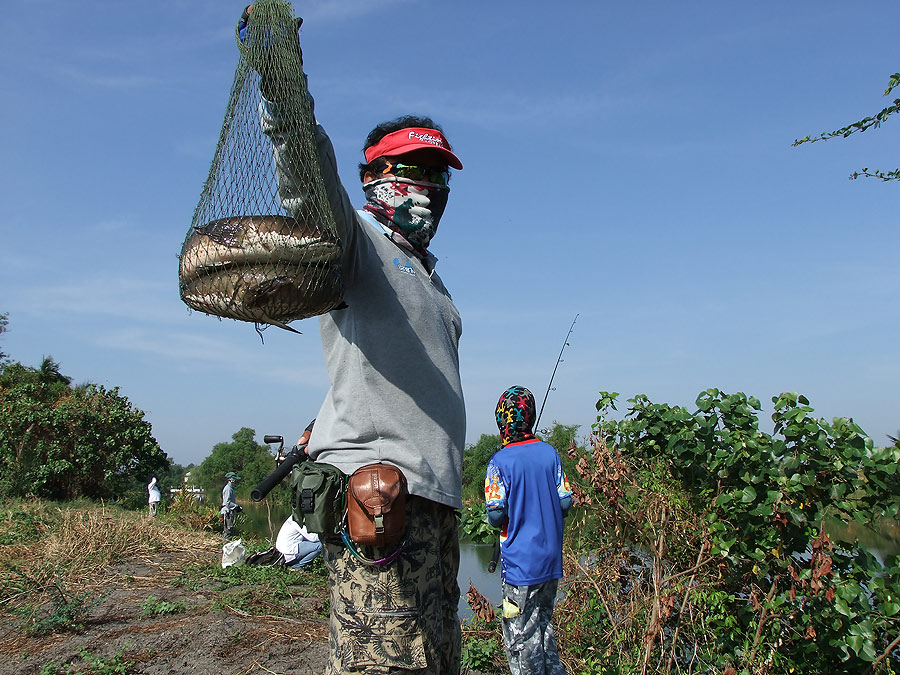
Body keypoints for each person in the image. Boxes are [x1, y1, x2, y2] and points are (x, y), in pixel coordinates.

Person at [239, 6, 466, 673]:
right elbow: (303, 170)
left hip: (434, 513)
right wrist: (281, 80)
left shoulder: (431, 280)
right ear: (373, 180)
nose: (428, 186)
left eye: (439, 173)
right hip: (381, 505)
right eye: (413, 169)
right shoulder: (357, 241)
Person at [485, 386, 573, 675]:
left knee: (519, 637)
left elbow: (496, 515)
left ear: (501, 423)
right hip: (550, 562)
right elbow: (565, 502)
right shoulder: (550, 453)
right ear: (530, 417)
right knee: (543, 626)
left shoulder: (499, 462)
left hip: (520, 567)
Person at [221, 472, 242, 540]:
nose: (235, 481)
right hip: (227, 512)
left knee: (228, 531)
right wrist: (236, 506)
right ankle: (226, 545)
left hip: (229, 511)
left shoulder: (230, 488)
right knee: (228, 531)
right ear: (230, 479)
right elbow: (227, 502)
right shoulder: (228, 489)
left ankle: (226, 544)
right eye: (234, 480)